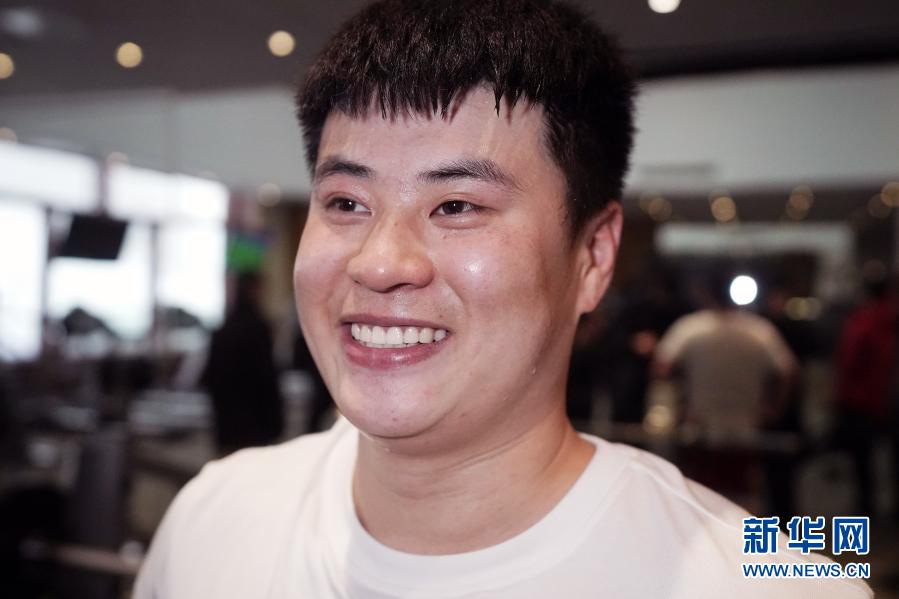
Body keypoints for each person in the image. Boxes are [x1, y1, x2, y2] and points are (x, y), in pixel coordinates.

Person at [135, 2, 871, 597]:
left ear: (593, 255)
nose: (380, 262)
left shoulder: (765, 579)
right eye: (346, 202)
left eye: (456, 205)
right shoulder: (212, 518)